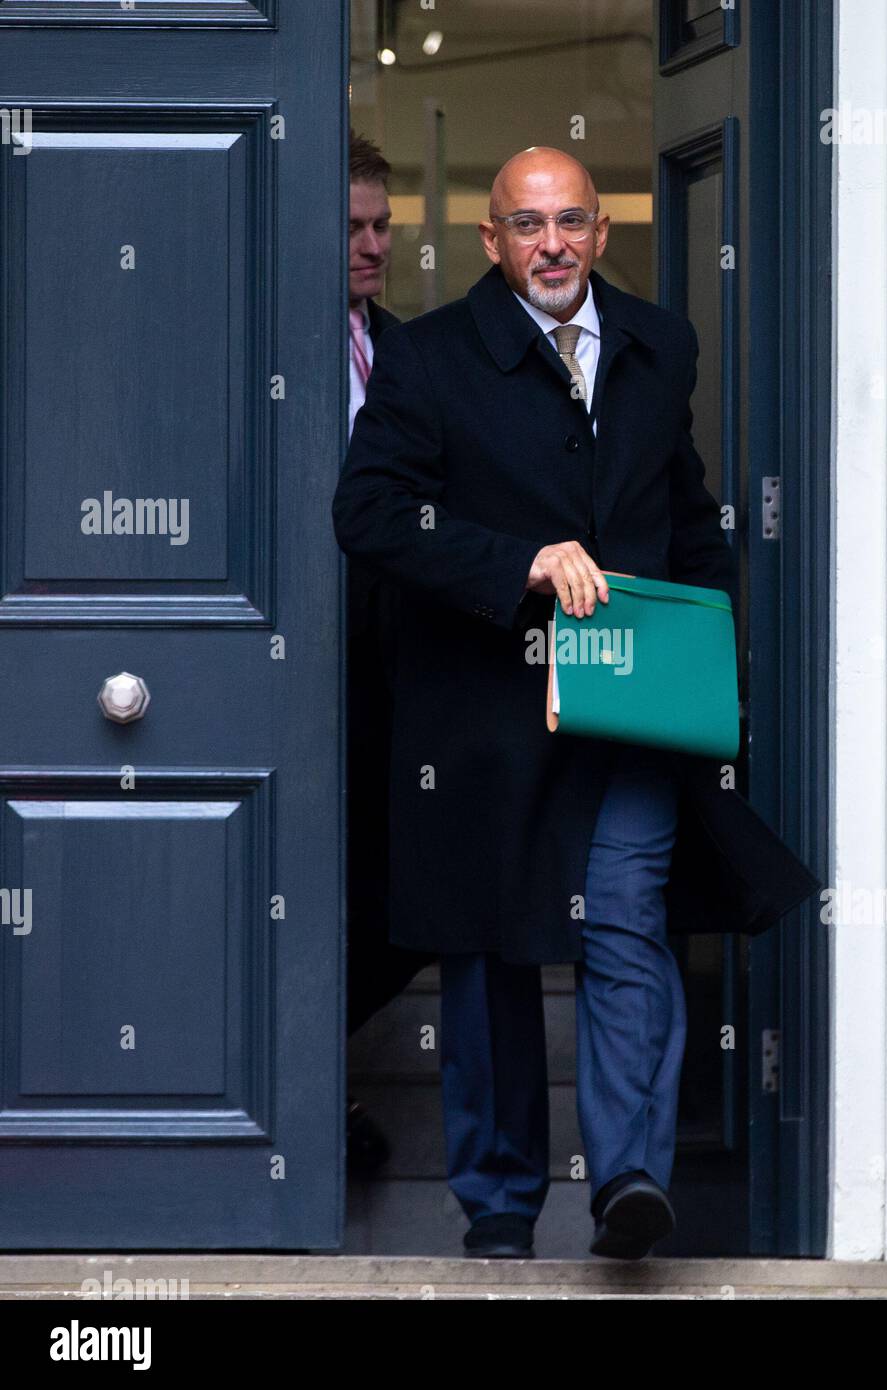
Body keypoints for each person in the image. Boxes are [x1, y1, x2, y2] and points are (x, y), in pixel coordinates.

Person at [333, 145, 815, 1260]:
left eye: (572, 222)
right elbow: (368, 514)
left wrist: (713, 658)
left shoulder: (659, 348)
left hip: (629, 713)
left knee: (629, 922)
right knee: (494, 950)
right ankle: (499, 1206)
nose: (551, 243)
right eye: (526, 224)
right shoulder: (434, 361)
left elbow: (685, 514)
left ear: (602, 233)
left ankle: (630, 1178)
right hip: (482, 721)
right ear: (490, 241)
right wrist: (522, 563)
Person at [343, 131, 437, 1178]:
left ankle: (306, 1065)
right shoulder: (262, 341)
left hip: (389, 666)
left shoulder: (407, 352)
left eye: (382, 227)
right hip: (278, 661)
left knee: (399, 897)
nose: (372, 247)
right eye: (353, 229)